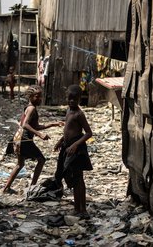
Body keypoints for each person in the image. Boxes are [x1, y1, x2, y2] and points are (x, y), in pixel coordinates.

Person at [3, 85, 63, 194]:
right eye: (37, 96)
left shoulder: (30, 108)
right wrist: (39, 135)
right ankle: (32, 187)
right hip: (24, 138)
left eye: (40, 96)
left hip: (18, 138)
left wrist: (53, 124)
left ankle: (6, 188)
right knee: (41, 160)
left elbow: (35, 125)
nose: (39, 99)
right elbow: (25, 125)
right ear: (30, 97)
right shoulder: (31, 108)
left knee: (20, 164)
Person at [54, 84, 93, 217]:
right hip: (68, 146)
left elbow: (88, 133)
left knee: (78, 179)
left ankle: (80, 209)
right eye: (69, 98)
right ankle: (80, 209)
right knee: (76, 178)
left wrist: (76, 145)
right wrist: (61, 141)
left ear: (79, 99)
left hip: (77, 149)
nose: (71, 101)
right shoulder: (68, 111)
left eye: (74, 99)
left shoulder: (79, 114)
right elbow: (68, 130)